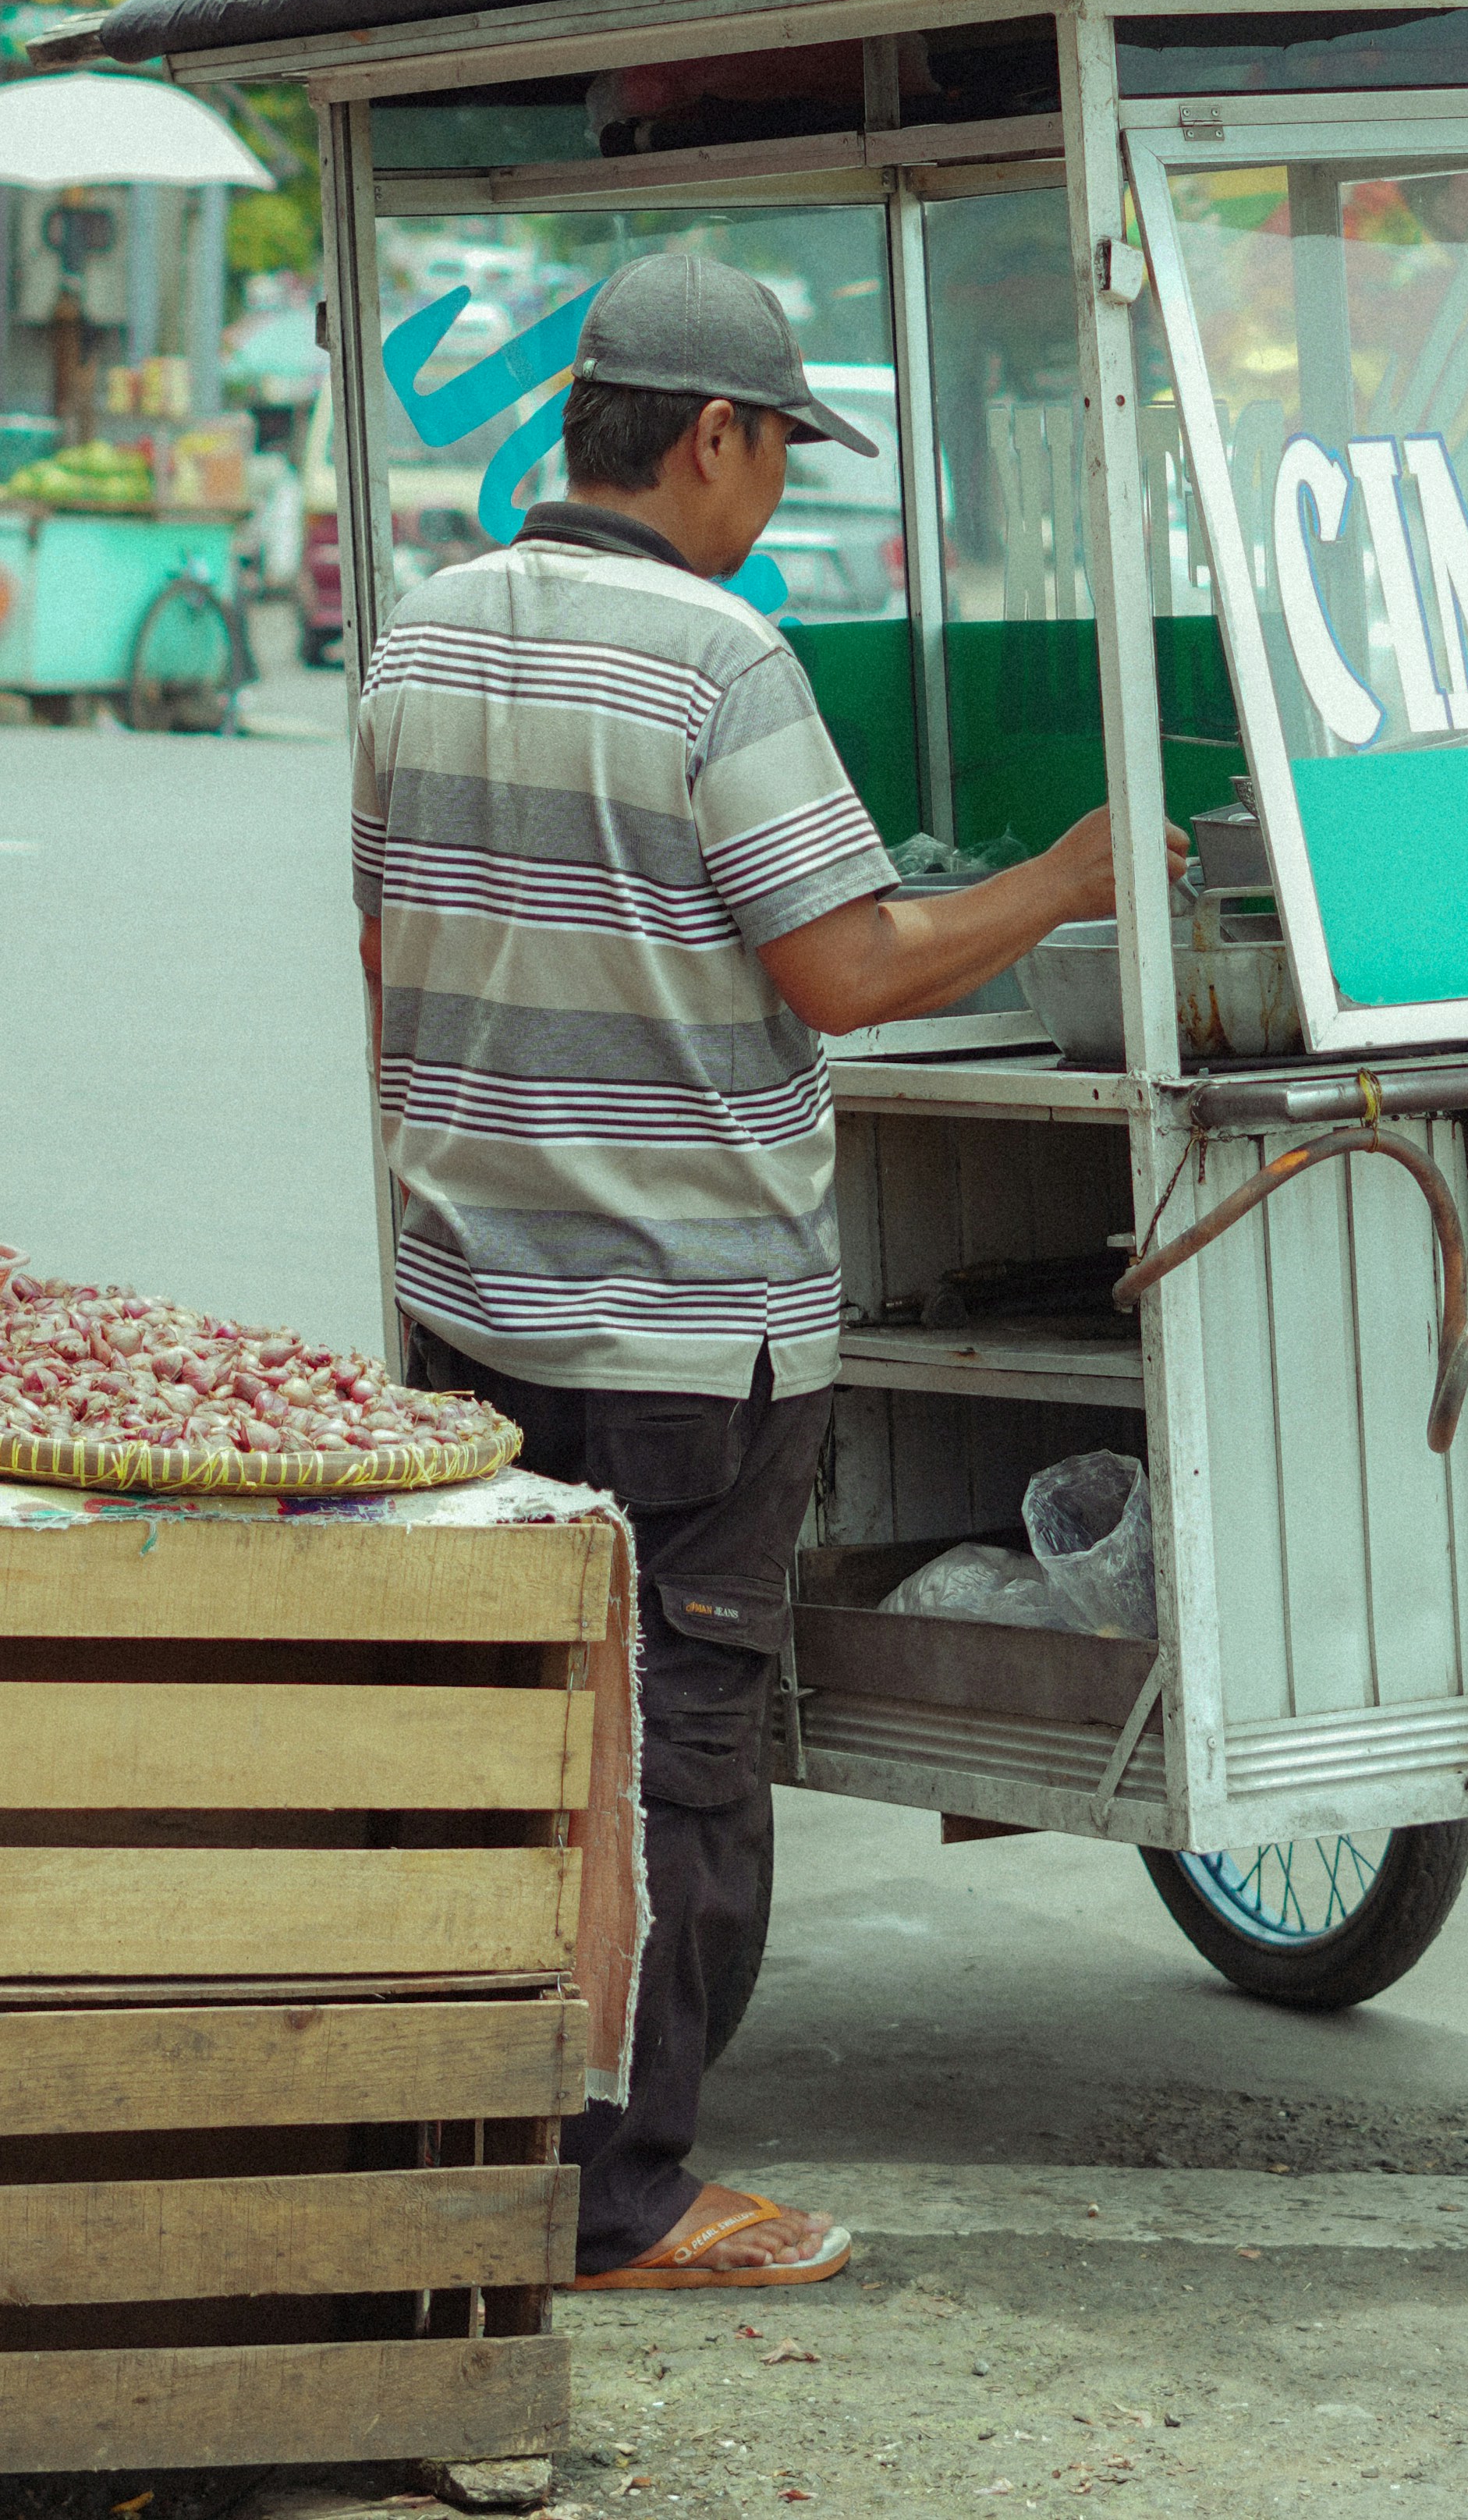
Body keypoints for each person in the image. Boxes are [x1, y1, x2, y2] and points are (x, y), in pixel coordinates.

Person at [353, 249, 1186, 2291]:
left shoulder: (421, 636)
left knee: (522, 1723)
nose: (768, 494)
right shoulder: (717, 660)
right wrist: (1069, 880)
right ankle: (624, 2193)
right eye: (774, 449)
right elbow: (851, 963)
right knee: (680, 1743)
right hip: (686, 1321)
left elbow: (385, 947)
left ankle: (483, 2115)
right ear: (709, 434)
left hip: (468, 1295)